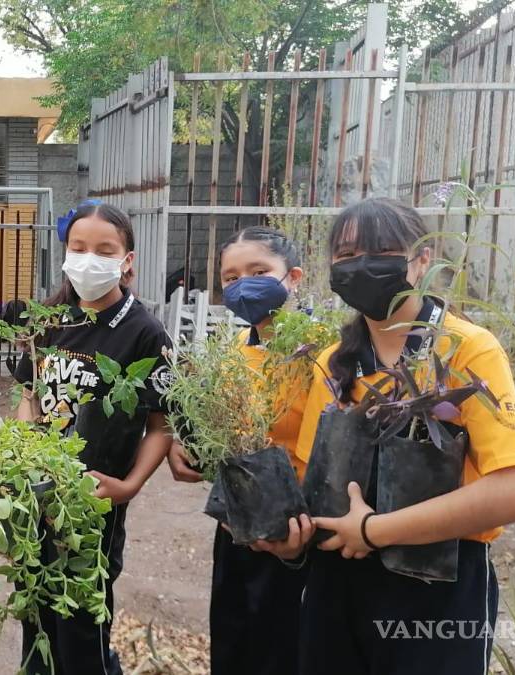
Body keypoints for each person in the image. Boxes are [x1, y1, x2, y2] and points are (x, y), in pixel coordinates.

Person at [291, 198, 515, 674]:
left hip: (438, 587)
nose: (362, 266)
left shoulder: (465, 349)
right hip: (336, 586)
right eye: (346, 256)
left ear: (422, 260)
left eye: (383, 251)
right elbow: (313, 485)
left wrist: (374, 530)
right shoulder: (332, 363)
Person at [13, 202, 173, 675]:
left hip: (94, 504)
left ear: (127, 261)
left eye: (105, 250)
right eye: (78, 248)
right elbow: (30, 395)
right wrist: (21, 452)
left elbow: (161, 425)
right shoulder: (50, 319)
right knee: (35, 609)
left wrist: (130, 486)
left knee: (82, 619)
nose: (89, 259)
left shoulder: (144, 332)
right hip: (39, 494)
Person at [166, 226, 312, 675]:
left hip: (299, 529)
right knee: (233, 637)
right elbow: (218, 430)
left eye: (258, 271)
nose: (243, 284)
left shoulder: (323, 352)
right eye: (230, 277)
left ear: (293, 277)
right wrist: (181, 445)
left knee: (287, 646)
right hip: (235, 523)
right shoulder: (230, 352)